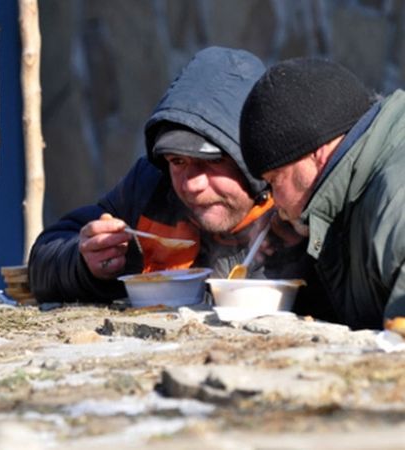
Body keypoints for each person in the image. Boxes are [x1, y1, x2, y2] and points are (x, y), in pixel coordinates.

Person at [28, 47, 329, 319]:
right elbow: (43, 261)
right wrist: (85, 264)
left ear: (252, 158)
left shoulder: (297, 203)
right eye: (177, 161)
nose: (191, 185)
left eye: (212, 162)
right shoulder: (150, 190)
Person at [239, 56, 405, 330]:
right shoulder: (359, 190)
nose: (274, 202)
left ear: (316, 151)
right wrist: (302, 252)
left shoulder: (395, 205)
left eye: (273, 181)